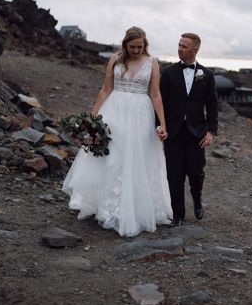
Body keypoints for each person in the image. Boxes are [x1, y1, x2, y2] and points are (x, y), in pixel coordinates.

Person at [61, 27, 173, 237]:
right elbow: (106, 89)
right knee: (112, 157)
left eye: (140, 47)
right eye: (132, 47)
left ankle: (134, 208)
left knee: (136, 157)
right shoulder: (115, 59)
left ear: (145, 44)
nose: (136, 50)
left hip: (140, 114)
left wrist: (163, 124)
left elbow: (156, 94)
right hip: (114, 111)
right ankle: (106, 206)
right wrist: (91, 118)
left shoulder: (152, 62)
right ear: (125, 45)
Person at [160, 32, 220, 223]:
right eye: (179, 45)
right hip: (173, 132)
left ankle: (197, 200)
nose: (179, 49)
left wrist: (211, 131)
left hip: (197, 133)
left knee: (196, 172)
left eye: (184, 46)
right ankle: (178, 215)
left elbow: (212, 105)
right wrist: (160, 126)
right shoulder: (168, 73)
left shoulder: (207, 75)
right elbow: (160, 102)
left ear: (195, 50)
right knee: (174, 174)